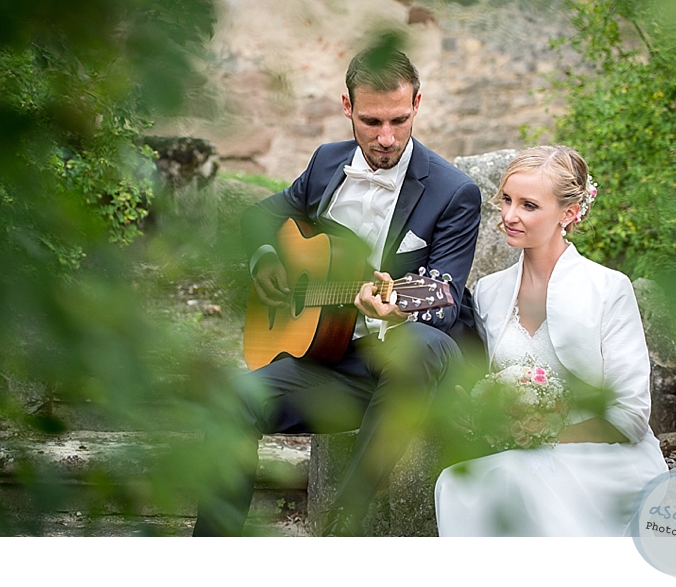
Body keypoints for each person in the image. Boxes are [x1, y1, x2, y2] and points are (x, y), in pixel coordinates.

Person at [192, 47, 482, 536]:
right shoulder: (327, 163)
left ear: (417, 103)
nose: (386, 137)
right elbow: (260, 217)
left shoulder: (453, 192)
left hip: (410, 359)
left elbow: (446, 299)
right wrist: (265, 260)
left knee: (419, 346)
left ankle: (340, 532)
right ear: (347, 106)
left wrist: (394, 313)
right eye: (370, 121)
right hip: (330, 361)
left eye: (398, 119)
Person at [435, 145, 668, 536]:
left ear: (570, 213)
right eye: (506, 200)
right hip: (520, 454)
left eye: (528, 205)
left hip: (605, 460)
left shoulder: (609, 288)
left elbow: (630, 416)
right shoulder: (490, 293)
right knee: (456, 480)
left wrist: (539, 436)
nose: (509, 216)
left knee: (521, 479)